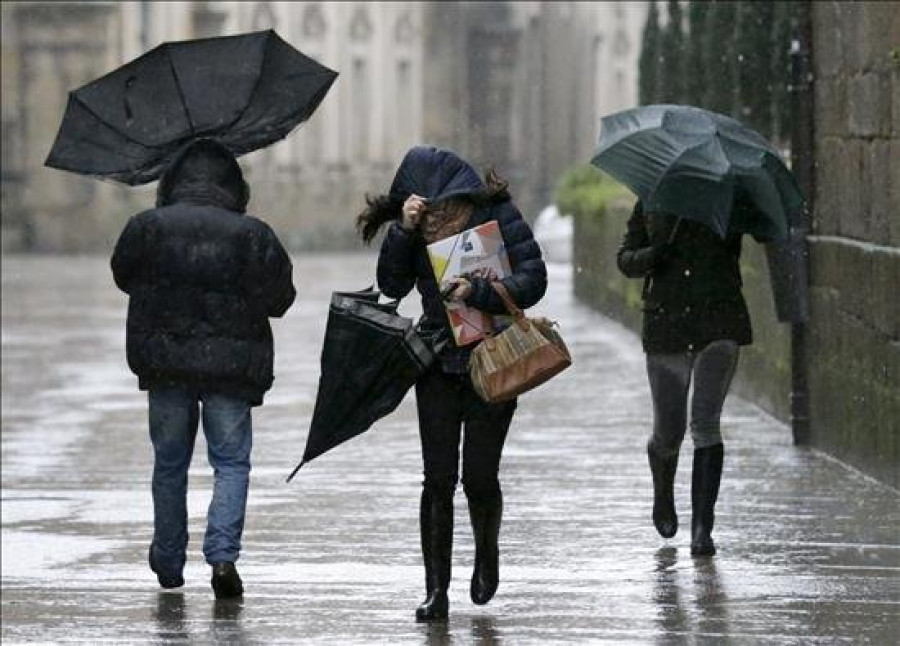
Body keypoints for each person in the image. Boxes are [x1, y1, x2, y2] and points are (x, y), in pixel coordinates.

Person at [357, 145, 547, 621]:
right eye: (426, 206)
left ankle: (486, 555)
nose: (437, 214)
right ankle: (435, 589)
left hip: (493, 358)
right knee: (437, 479)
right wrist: (402, 231)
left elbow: (535, 277)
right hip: (438, 362)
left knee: (479, 477)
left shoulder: (495, 213)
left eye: (443, 205)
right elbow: (392, 285)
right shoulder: (413, 229)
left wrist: (479, 291)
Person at [111, 138, 296, 598]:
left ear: (172, 181)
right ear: (233, 184)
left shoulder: (146, 227)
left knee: (169, 463)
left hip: (166, 362)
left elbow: (123, 275)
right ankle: (222, 558)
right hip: (230, 368)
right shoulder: (252, 233)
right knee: (231, 462)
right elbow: (280, 299)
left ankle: (169, 560)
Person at [616, 196, 755, 556]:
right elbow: (625, 259)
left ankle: (702, 528)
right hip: (668, 325)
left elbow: (762, 231)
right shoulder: (653, 196)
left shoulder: (730, 197)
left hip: (719, 321)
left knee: (706, 424)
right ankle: (663, 491)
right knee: (669, 431)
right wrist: (653, 255)